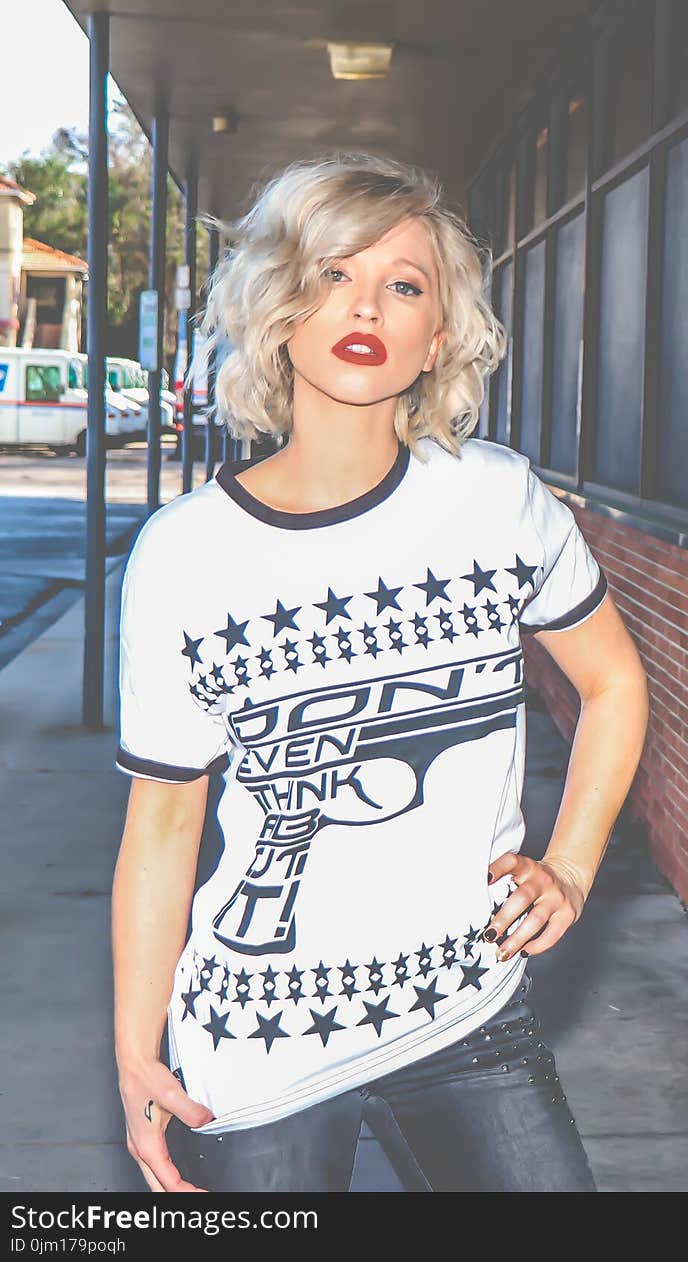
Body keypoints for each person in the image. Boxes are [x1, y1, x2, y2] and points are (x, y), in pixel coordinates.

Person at [112, 151, 650, 1193]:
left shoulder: (495, 500)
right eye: (331, 275)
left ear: (436, 334)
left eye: (403, 285)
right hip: (254, 1046)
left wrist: (573, 864)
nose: (366, 305)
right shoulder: (184, 552)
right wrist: (139, 1054)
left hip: (468, 1011)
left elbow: (614, 684)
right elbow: (163, 822)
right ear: (278, 307)